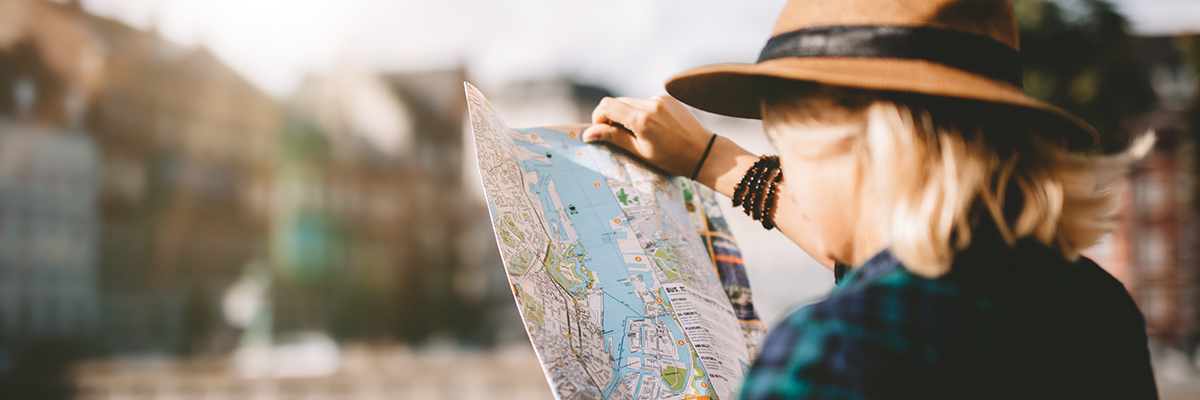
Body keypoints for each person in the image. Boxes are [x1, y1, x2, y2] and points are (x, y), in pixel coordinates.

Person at [581, 0, 1159, 398]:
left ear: (864, 147)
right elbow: (897, 257)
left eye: (788, 149)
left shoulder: (837, 351)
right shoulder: (1099, 307)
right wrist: (712, 159)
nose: (793, 176)